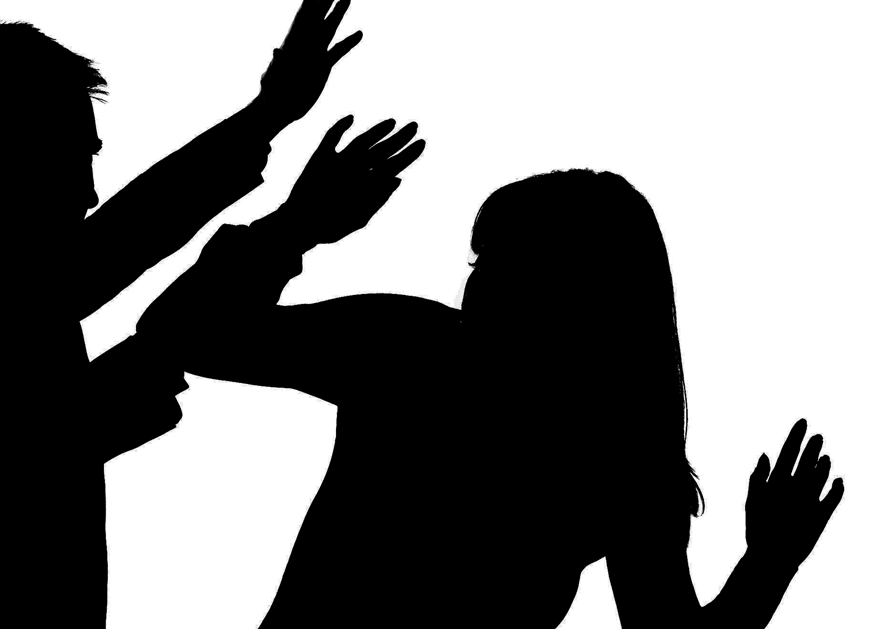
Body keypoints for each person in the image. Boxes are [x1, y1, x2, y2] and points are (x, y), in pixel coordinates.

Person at [0, 1, 364, 626]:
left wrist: (276, 155)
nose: (89, 193)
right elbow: (23, 450)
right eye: (69, 159)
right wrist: (281, 200)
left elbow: (117, 272)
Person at [138, 123, 846, 627]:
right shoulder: (620, 461)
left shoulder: (408, 351)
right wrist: (768, 566)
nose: (477, 283)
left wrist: (295, 227)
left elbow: (179, 330)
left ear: (575, 290)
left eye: (502, 263)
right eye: (480, 261)